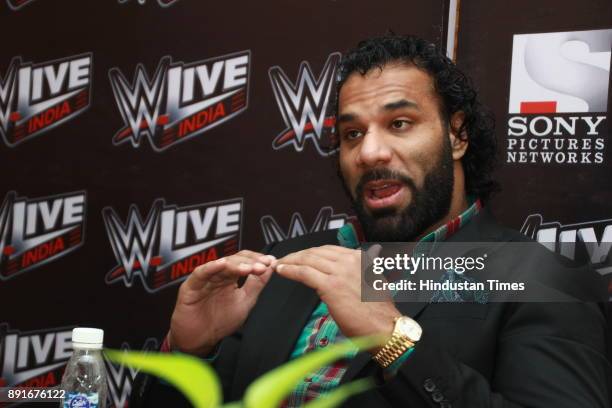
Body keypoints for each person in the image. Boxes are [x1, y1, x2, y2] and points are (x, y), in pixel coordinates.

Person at [130, 34, 610, 407]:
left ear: (457, 135)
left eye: (399, 123)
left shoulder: (540, 279)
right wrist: (189, 353)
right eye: (351, 133)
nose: (370, 152)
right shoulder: (282, 266)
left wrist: (396, 342)